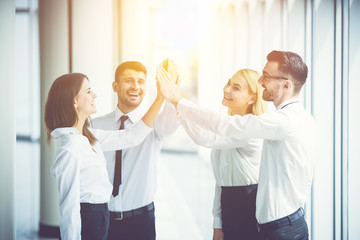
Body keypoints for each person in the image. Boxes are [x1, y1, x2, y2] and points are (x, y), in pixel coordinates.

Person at [157, 51, 318, 240]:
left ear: (286, 85)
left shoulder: (282, 122)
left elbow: (220, 128)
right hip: (280, 225)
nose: (260, 80)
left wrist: (178, 100)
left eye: (266, 76)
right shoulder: (300, 118)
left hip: (280, 228)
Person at [44, 72, 164, 240]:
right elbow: (69, 209)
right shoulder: (70, 150)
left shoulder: (89, 137)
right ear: (74, 101)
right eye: (88, 91)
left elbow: (132, 137)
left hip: (100, 217)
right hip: (88, 220)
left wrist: (160, 98)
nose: (94, 95)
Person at [92, 61, 179, 240]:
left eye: (141, 82)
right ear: (115, 86)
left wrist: (170, 89)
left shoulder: (155, 124)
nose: (136, 87)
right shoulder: (96, 125)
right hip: (102, 219)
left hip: (140, 222)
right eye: (129, 81)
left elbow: (172, 122)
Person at [176, 69, 265, 240]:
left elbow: (204, 137)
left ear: (252, 98)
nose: (227, 89)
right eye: (228, 83)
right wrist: (218, 223)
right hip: (229, 207)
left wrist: (177, 102)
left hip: (251, 210)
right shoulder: (227, 129)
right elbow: (221, 183)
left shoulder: (252, 128)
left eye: (236, 87)